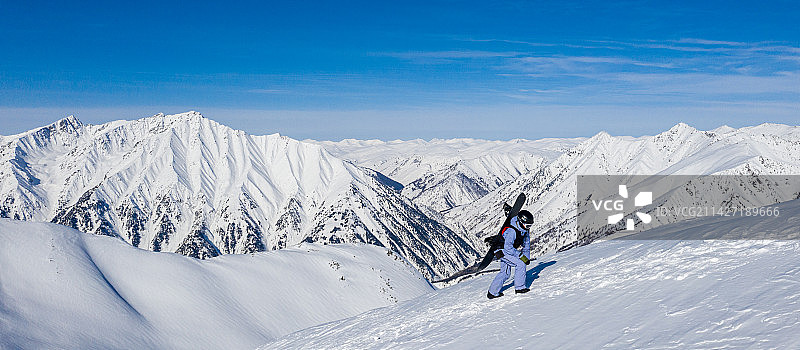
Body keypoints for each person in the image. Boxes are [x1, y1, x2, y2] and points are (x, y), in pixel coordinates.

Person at [487, 210, 533, 299]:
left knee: (505, 273)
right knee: (520, 264)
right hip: (501, 250)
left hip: (508, 250)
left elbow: (526, 245)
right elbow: (508, 248)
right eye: (527, 225)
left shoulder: (525, 230)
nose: (528, 227)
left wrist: (526, 258)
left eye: (530, 226)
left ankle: (492, 292)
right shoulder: (512, 231)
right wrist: (520, 256)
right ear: (521, 222)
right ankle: (520, 288)